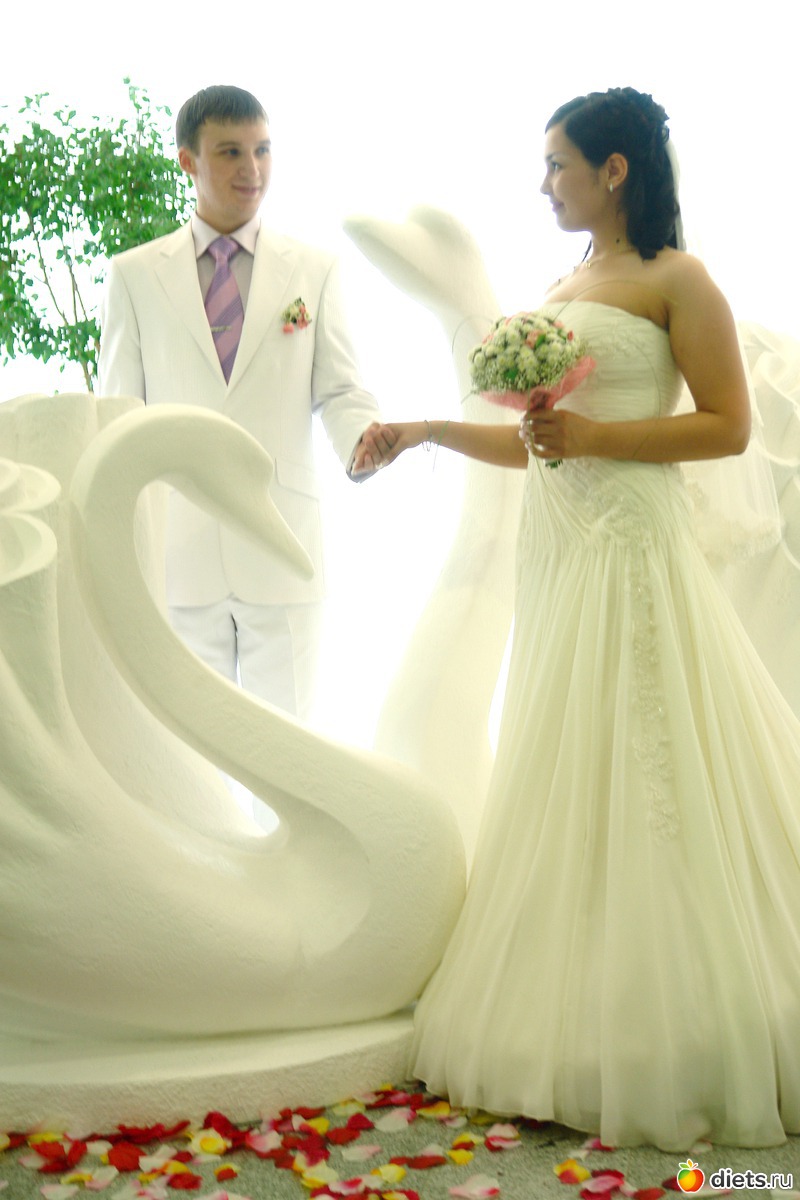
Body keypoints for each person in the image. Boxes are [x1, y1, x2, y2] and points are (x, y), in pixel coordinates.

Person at [356, 88, 800, 1150]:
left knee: (652, 757)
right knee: (568, 756)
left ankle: (681, 1019)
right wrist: (424, 430)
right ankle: (573, 1007)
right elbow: (537, 445)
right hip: (557, 550)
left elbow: (728, 429)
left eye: (556, 163)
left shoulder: (677, 279)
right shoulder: (561, 285)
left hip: (631, 548)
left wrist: (595, 441)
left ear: (614, 169)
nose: (543, 183)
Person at [99, 85, 389, 720]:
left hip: (283, 543)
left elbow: (341, 389)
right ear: (188, 160)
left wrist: (362, 440)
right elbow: (117, 413)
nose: (251, 169)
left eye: (262, 150)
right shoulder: (133, 276)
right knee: (185, 746)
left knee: (290, 742)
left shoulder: (314, 269)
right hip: (177, 551)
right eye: (230, 152)